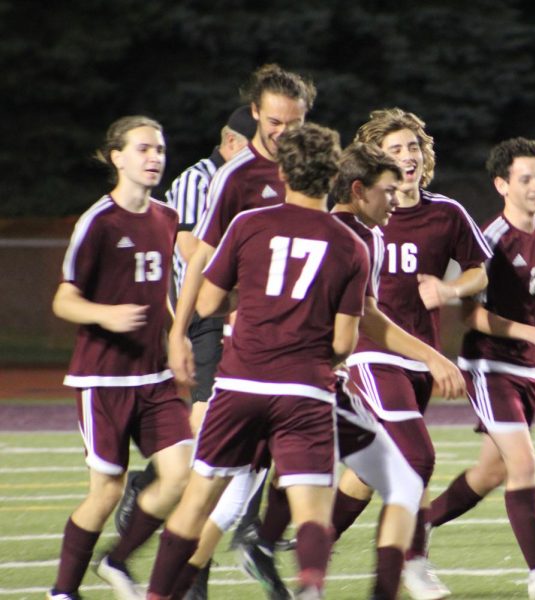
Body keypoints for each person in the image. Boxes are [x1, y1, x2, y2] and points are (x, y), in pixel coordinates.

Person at [145, 121, 366, 600]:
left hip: (241, 383)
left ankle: (157, 595)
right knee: (310, 509)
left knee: (198, 500)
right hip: (305, 388)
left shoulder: (249, 224)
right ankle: (310, 585)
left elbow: (207, 302)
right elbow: (345, 342)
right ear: (332, 176)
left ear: (283, 172)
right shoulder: (352, 245)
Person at [240, 142, 468, 600]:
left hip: (278, 378)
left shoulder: (359, 231)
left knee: (225, 496)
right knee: (409, 467)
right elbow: (358, 329)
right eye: (387, 184)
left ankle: (262, 548)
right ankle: (409, 567)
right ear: (360, 186)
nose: (396, 191)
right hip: (310, 376)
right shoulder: (343, 236)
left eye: (412, 150)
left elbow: (222, 296)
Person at [159, 63, 316, 596]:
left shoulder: (315, 169)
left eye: (293, 123)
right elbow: (201, 257)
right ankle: (191, 567)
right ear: (254, 113)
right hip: (240, 340)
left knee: (254, 467)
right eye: (274, 121)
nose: (283, 132)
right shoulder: (235, 176)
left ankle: (245, 543)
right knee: (218, 468)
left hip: (299, 345)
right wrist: (181, 331)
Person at [333, 108, 492, 600]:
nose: (407, 157)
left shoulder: (445, 212)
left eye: (413, 148)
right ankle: (414, 562)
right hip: (371, 352)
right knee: (416, 455)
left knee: (365, 471)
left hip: (420, 356)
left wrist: (448, 292)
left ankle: (311, 541)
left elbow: (480, 270)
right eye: (395, 149)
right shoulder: (357, 214)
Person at [425, 138, 535, 599]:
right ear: (501, 184)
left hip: (527, 368)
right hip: (490, 365)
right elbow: (469, 315)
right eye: (526, 178)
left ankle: (419, 525)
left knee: (492, 471)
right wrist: (533, 334)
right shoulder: (491, 239)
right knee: (523, 462)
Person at [46, 115, 194, 600]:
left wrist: (177, 334)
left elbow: (159, 293)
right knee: (107, 491)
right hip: (103, 379)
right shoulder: (99, 222)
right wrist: (105, 315)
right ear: (117, 157)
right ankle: (63, 591)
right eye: (144, 149)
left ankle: (117, 560)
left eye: (160, 150)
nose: (155, 158)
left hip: (154, 378)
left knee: (182, 476)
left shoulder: (166, 218)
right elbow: (64, 300)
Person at [112, 105, 257, 599]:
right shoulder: (201, 180)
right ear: (233, 141)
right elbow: (195, 249)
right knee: (208, 448)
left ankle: (157, 499)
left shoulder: (260, 179)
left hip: (240, 320)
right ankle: (185, 569)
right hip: (204, 319)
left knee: (218, 451)